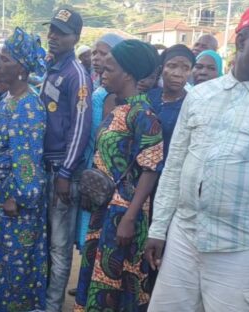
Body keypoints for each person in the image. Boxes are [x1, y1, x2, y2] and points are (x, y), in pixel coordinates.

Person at [146, 1, 249, 311]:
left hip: (243, 250)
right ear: (241, 41)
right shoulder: (200, 95)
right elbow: (174, 167)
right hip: (184, 238)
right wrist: (159, 228)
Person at [73, 39, 163, 311]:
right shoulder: (119, 109)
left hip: (123, 215)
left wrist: (130, 218)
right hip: (104, 211)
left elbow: (150, 170)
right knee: (97, 278)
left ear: (128, 73)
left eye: (110, 68)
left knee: (116, 281)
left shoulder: (144, 115)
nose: (102, 72)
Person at [0, 27, 48, 312]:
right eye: (0, 56)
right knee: (1, 258)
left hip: (17, 197)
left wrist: (19, 197)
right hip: (2, 191)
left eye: (7, 58)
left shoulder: (28, 105)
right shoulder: (6, 99)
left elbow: (27, 159)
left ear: (22, 68)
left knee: (17, 260)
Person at [41, 8, 93, 312]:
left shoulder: (76, 74)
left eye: (61, 32)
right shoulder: (54, 68)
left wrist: (65, 171)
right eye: (52, 30)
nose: (53, 37)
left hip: (63, 173)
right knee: (46, 244)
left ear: (76, 37)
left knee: (59, 249)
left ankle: (52, 307)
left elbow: (80, 127)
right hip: (48, 168)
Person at [71, 33, 123, 298]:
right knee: (90, 238)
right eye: (96, 52)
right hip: (94, 179)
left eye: (105, 53)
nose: (98, 58)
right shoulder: (97, 93)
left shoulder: (127, 98)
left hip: (119, 183)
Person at [147, 44, 195, 160]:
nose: (178, 73)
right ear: (161, 69)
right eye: (172, 66)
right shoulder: (149, 96)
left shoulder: (192, 105)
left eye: (185, 68)